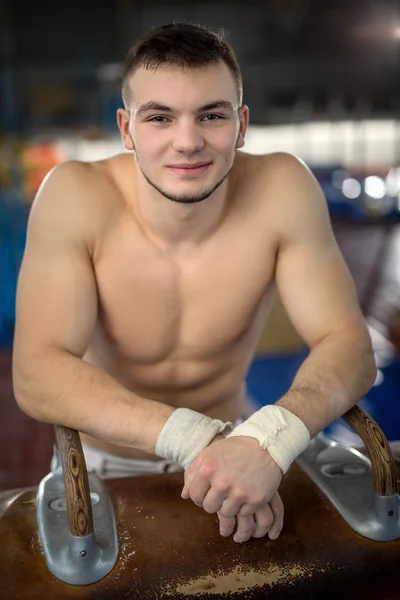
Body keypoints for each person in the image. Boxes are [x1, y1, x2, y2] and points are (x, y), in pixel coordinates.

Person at [12, 22, 376, 545]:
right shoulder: (75, 196)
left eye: (211, 115)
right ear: (126, 128)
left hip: (242, 447)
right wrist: (193, 439)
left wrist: (269, 440)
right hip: (106, 460)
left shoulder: (282, 189)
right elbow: (37, 372)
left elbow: (350, 347)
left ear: (242, 123)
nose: (188, 142)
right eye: (159, 117)